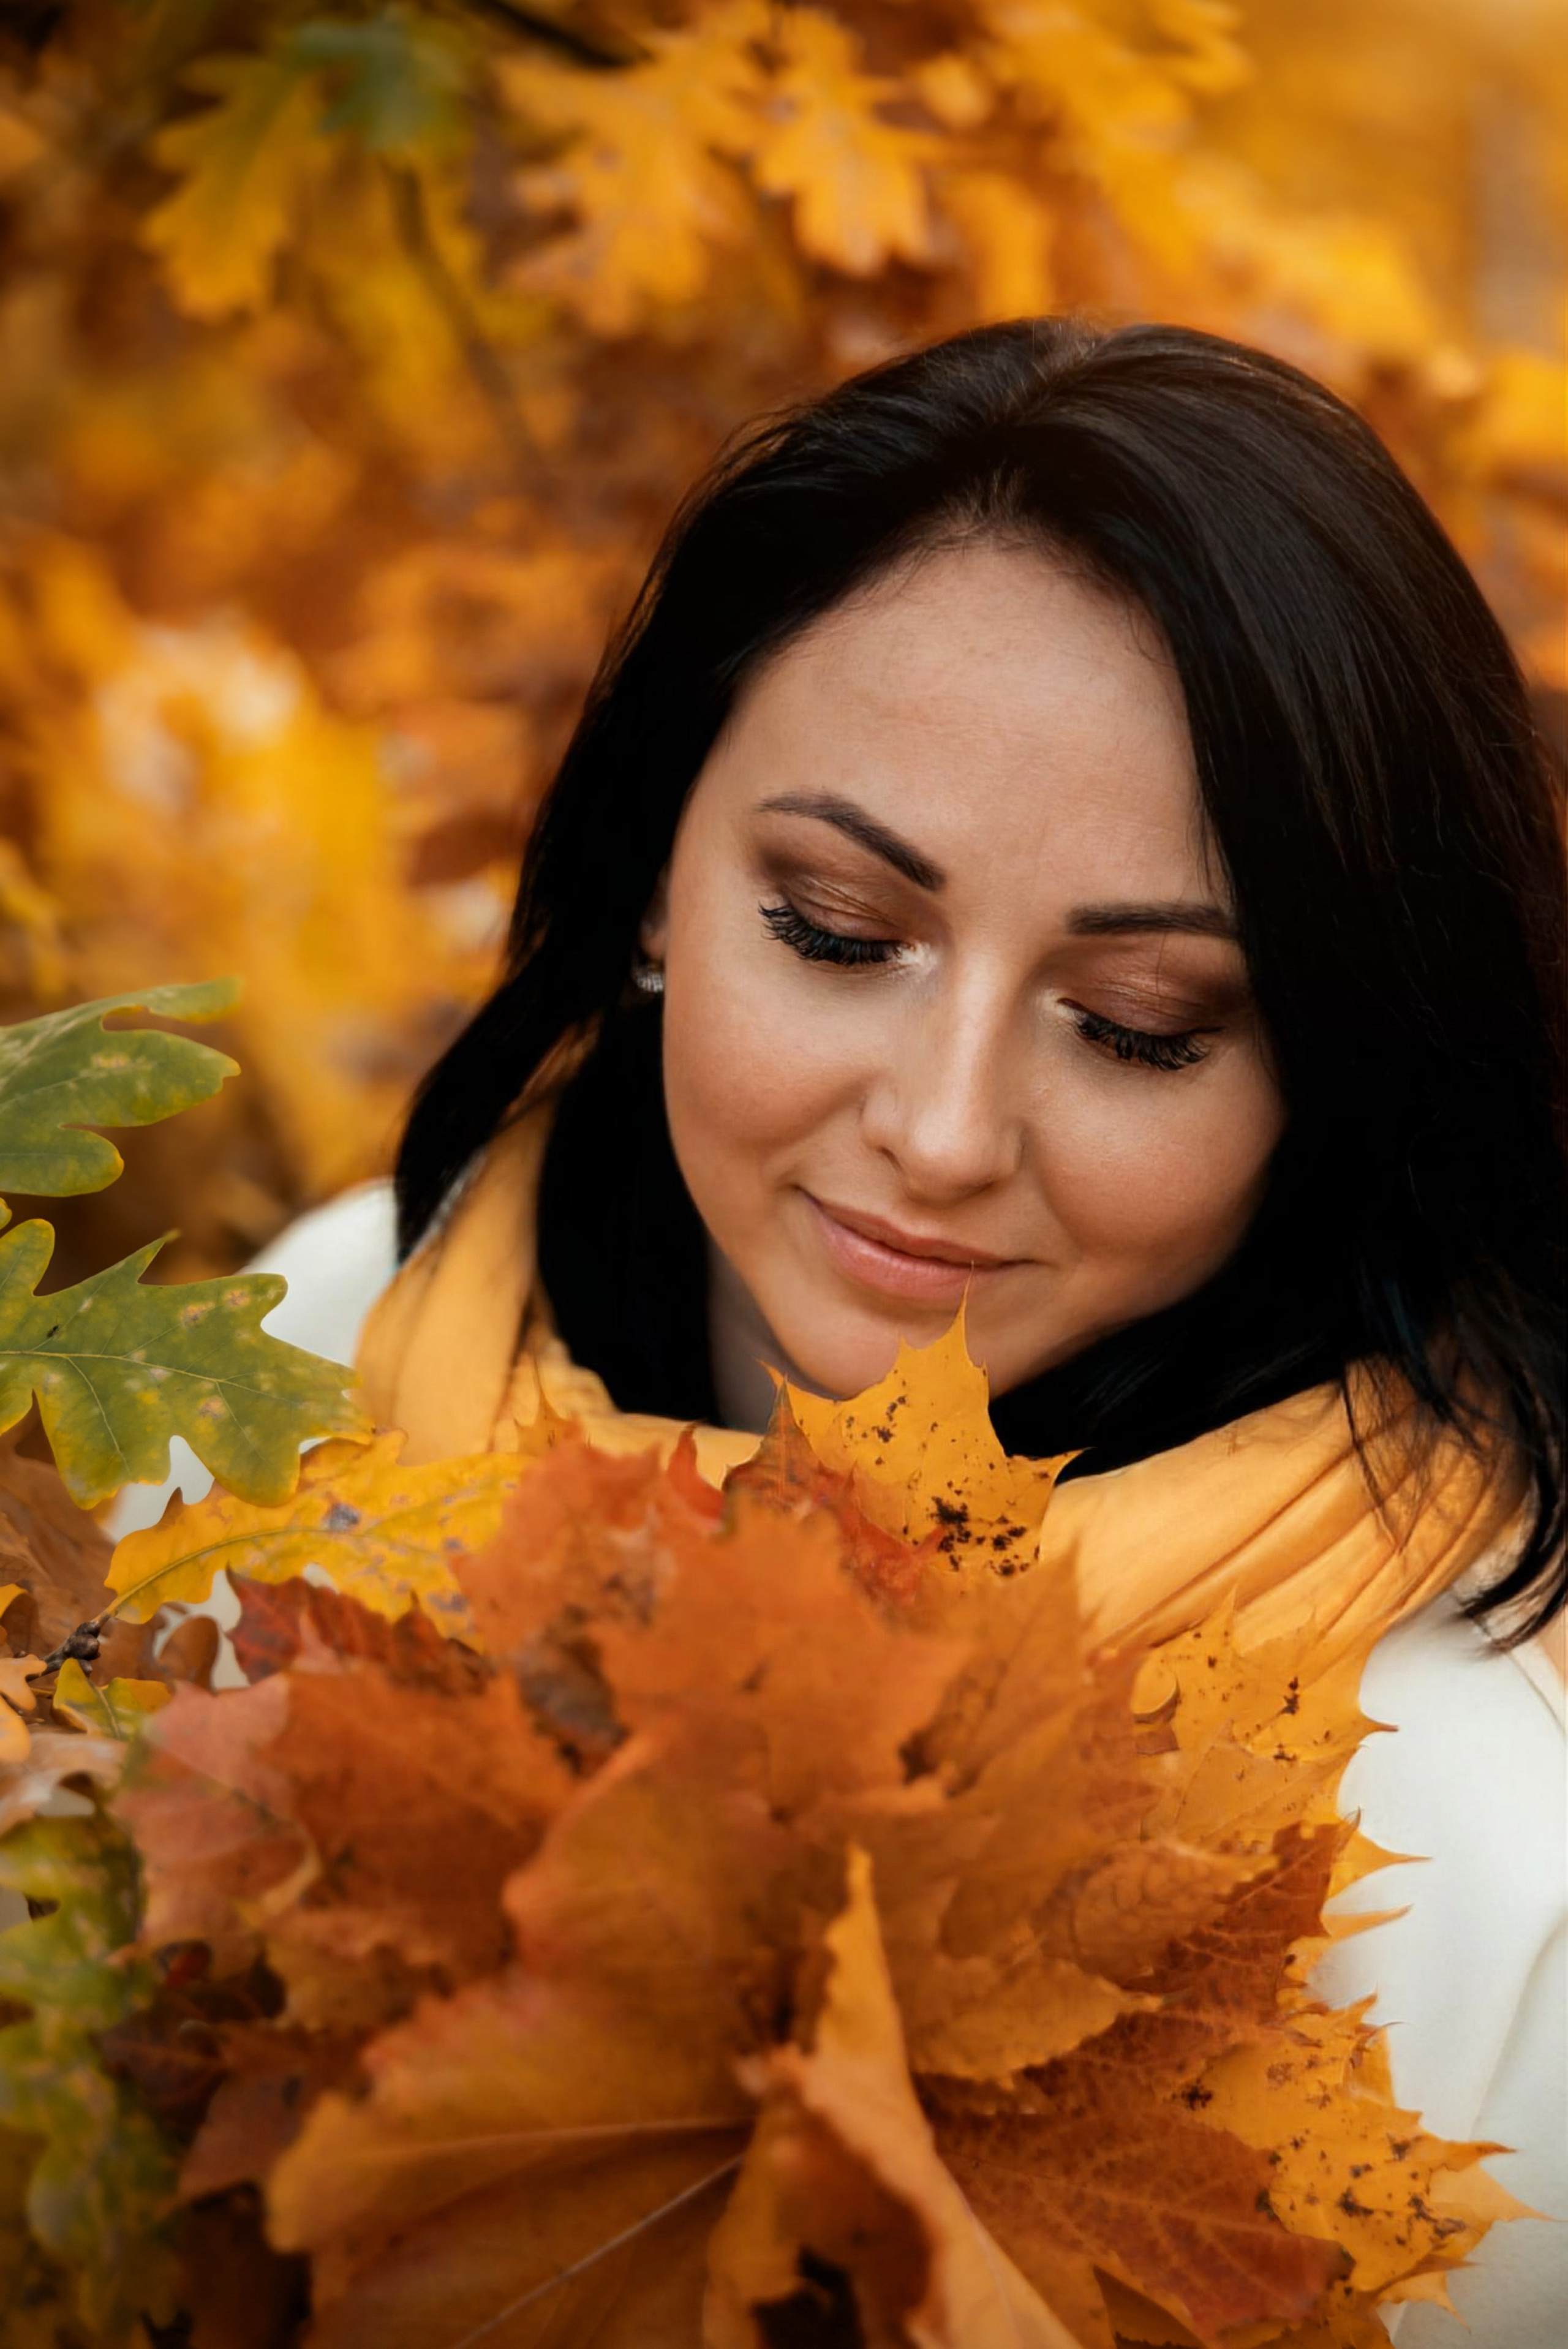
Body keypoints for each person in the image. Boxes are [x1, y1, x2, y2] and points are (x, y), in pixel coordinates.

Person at [110, 318, 1566, 2343]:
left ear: (1335, 1077)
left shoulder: (1487, 1845)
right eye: (837, 932)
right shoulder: (310, 1347)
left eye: (1140, 1026)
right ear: (649, 880)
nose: (943, 1131)